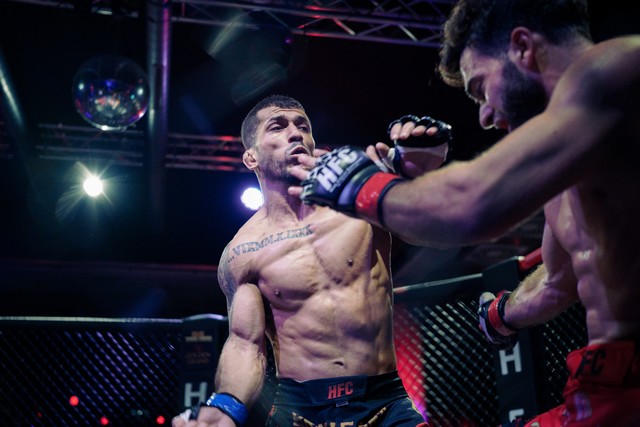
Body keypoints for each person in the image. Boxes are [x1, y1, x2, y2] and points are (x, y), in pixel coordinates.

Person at [289, 1, 640, 426]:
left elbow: (472, 206)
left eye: (480, 88)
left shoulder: (615, 68)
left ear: (523, 47)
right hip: (605, 380)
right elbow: (559, 278)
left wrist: (361, 185)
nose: (486, 115)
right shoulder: (571, 165)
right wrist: (501, 315)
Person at [172, 94, 451, 427]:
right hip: (298, 411)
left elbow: (437, 233)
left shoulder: (356, 200)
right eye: (278, 126)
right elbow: (246, 344)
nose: (296, 133)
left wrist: (417, 176)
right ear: (251, 156)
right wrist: (226, 407)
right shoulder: (243, 250)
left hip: (384, 401)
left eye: (303, 126)